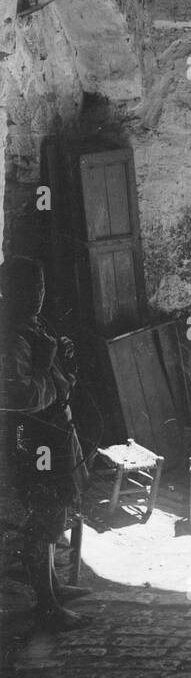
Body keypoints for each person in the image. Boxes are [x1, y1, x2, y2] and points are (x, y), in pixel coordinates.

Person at [0, 257, 91, 629]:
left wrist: (59, 361)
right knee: (44, 515)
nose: (37, 296)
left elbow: (54, 380)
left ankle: (53, 585)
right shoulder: (11, 338)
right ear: (10, 291)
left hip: (51, 434)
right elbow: (18, 396)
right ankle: (47, 606)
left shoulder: (32, 326)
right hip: (30, 438)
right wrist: (45, 366)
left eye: (40, 287)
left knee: (56, 507)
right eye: (28, 289)